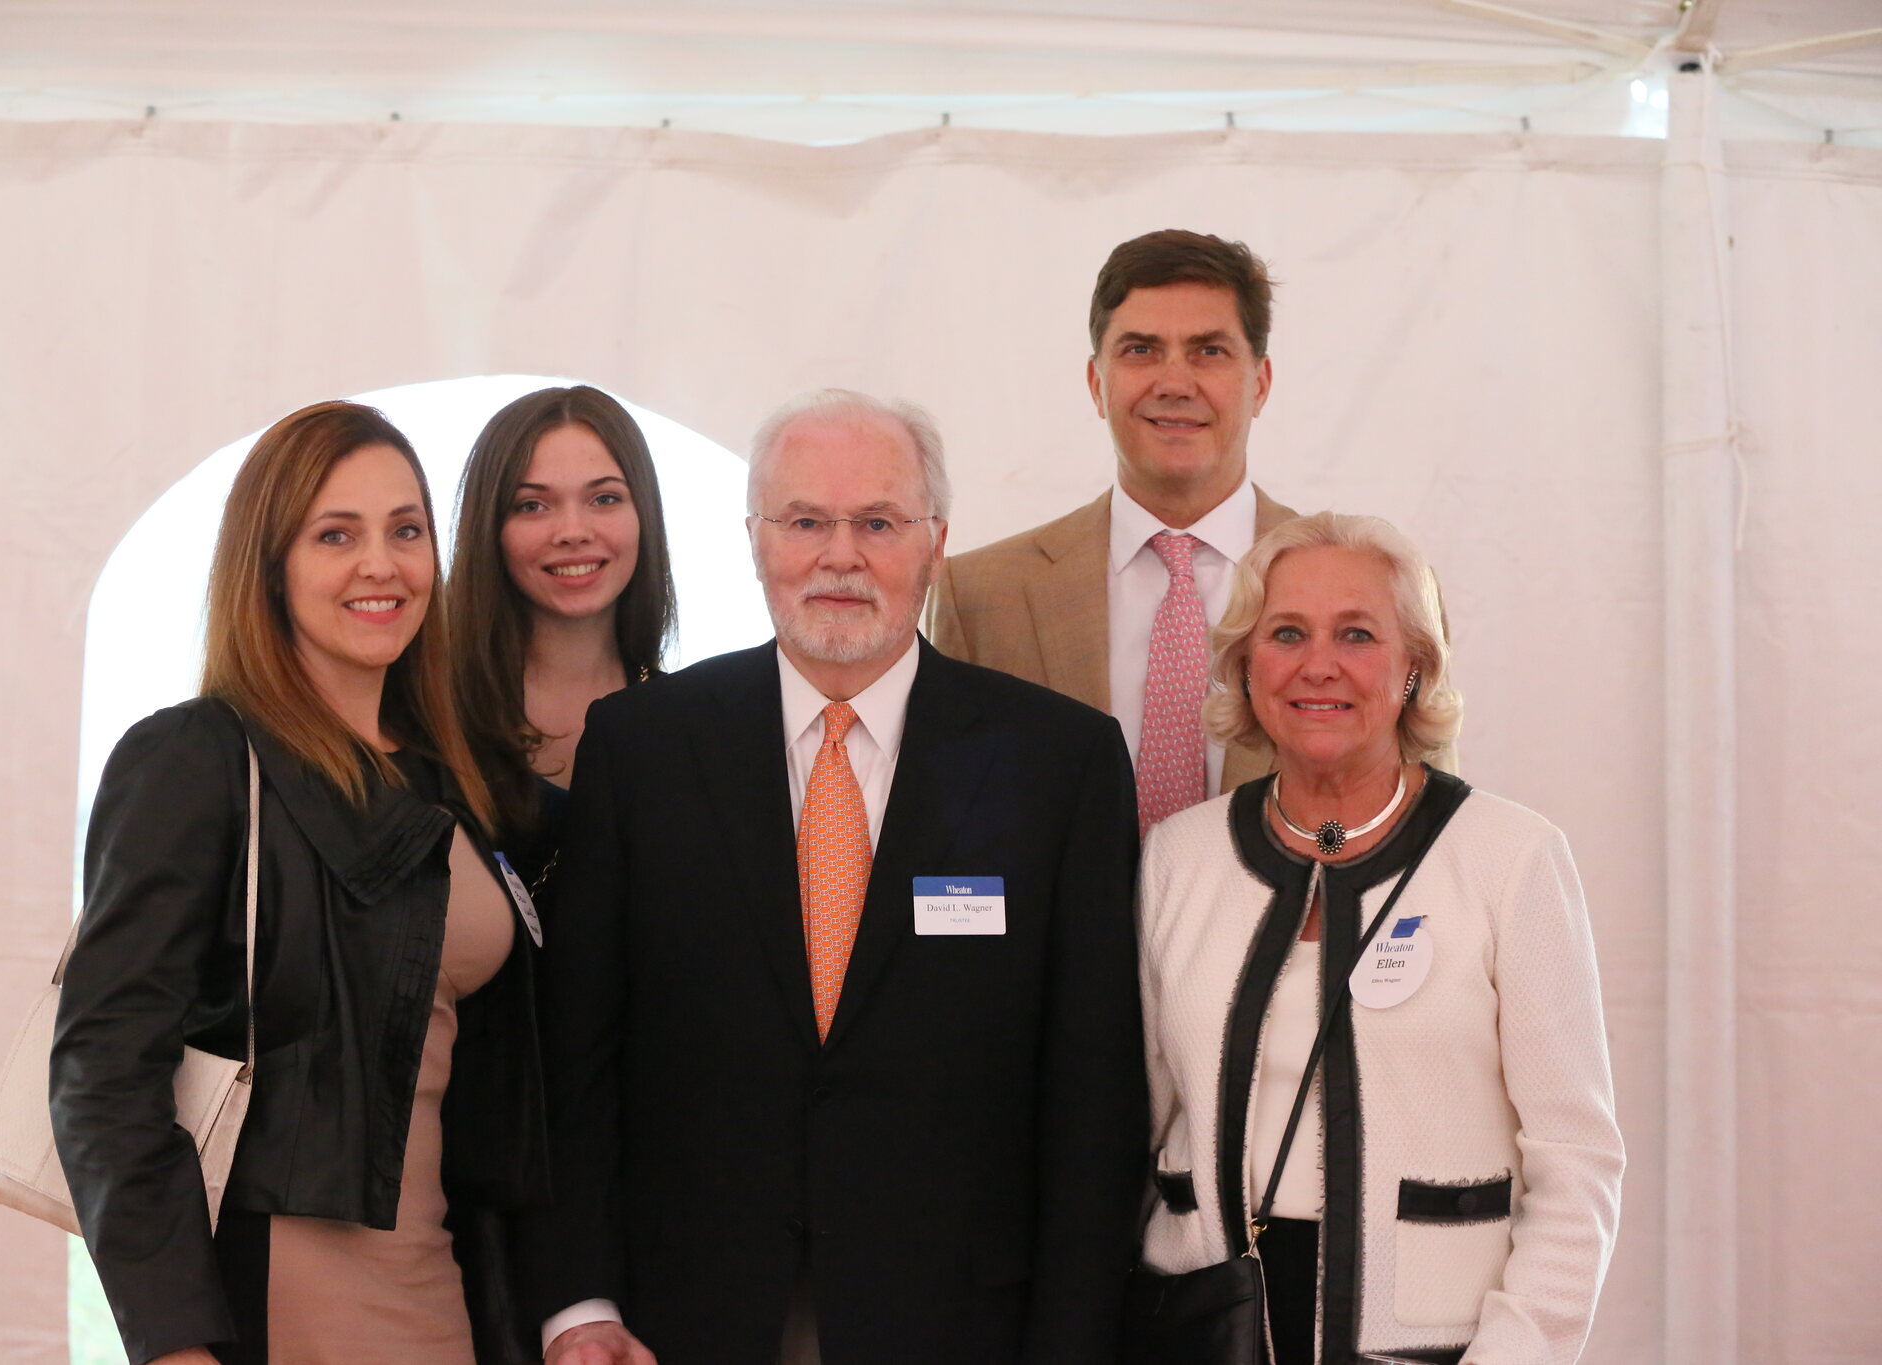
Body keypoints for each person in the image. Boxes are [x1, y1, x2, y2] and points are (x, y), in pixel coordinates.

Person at [529, 389, 1147, 1365]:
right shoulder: (642, 748)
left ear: (934, 540)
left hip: (964, 1322)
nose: (839, 556)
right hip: (680, 1318)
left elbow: (1093, 1097)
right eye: (805, 521)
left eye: (877, 523)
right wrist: (578, 1301)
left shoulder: (1058, 764)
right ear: (753, 539)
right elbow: (579, 1057)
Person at [50, 401, 553, 1365]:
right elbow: (102, 1072)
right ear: (269, 564)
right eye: (336, 534)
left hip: (450, 1293)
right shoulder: (198, 758)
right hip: (289, 1303)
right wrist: (175, 1343)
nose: (382, 563)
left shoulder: (454, 781)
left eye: (407, 530)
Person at [1131, 512, 1623, 1365]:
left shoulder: (1511, 858)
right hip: (1208, 1328)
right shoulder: (1179, 856)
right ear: (1247, 668)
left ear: (1413, 670)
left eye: (1356, 634)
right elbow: (1138, 1120)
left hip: (1435, 1343)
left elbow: (1576, 1161)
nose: (1319, 663)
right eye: (1287, 633)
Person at [927, 229, 1298, 830]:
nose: (1174, 382)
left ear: (1259, 383)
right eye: (1141, 350)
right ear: (1097, 384)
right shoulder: (978, 597)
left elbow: (1420, 827)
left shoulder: (1365, 588)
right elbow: (948, 830)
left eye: (1208, 350)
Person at [448, 384, 677, 816]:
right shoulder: (430, 719)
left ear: (643, 514)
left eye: (604, 498)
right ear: (489, 528)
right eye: (532, 505)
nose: (573, 530)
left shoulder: (691, 724)